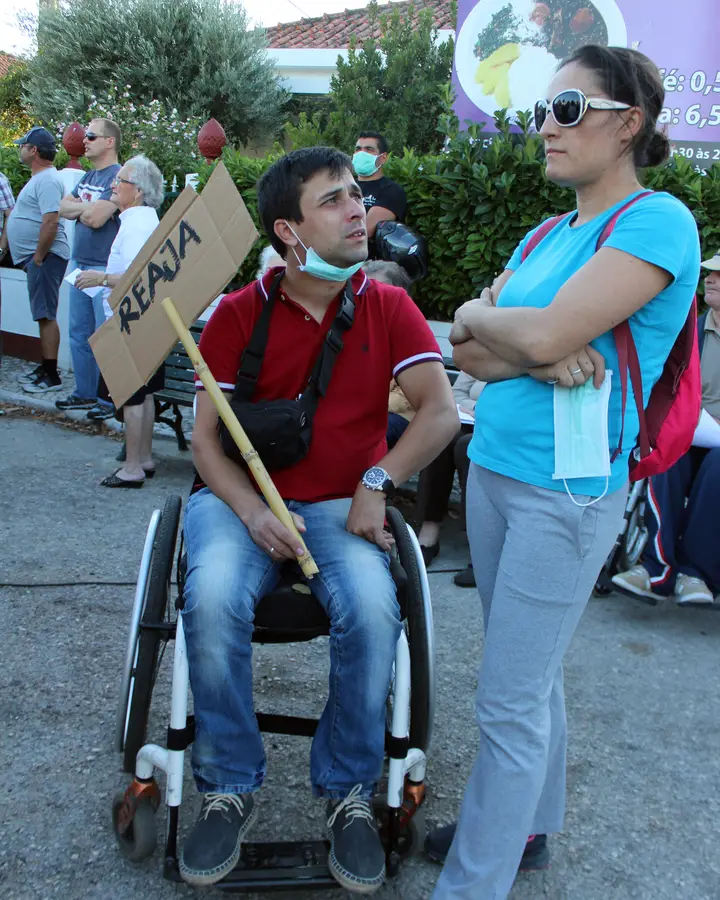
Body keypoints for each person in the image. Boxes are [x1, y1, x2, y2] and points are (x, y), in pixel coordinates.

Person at [424, 45, 700, 899]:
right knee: (529, 675)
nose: (545, 126)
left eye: (568, 111)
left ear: (629, 123)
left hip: (566, 494)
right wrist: (500, 325)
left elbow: (531, 337)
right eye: (543, 111)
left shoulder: (656, 224)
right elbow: (473, 346)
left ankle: (475, 882)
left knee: (506, 700)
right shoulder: (549, 231)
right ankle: (529, 827)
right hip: (498, 470)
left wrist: (519, 332)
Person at [179, 146, 458, 891]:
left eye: (356, 194)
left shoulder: (388, 306)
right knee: (208, 601)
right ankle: (227, 784)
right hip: (240, 501)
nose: (357, 209)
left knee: (372, 610)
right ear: (289, 231)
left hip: (344, 503)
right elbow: (207, 442)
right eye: (333, 200)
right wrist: (248, 508)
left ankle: (346, 794)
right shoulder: (238, 313)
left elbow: (439, 414)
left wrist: (379, 480)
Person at [612, 249, 720, 605]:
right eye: (711, 273)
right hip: (689, 431)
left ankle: (694, 574)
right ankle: (654, 568)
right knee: (665, 454)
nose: (711, 279)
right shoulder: (690, 331)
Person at [73, 156, 165, 487]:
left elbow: (137, 275)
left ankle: (132, 467)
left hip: (131, 319)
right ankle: (144, 458)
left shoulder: (137, 224)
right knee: (146, 392)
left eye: (119, 182)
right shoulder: (142, 220)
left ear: (137, 190)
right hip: (144, 319)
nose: (114, 187)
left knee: (132, 395)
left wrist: (100, 277)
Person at [57, 118, 122, 415]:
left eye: (92, 136)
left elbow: (97, 219)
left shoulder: (118, 177)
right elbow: (62, 207)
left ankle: (107, 400)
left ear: (109, 141)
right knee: (78, 331)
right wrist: (89, 207)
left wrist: (82, 210)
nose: (85, 141)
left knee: (102, 335)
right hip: (78, 263)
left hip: (101, 268)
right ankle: (84, 392)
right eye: (85, 136)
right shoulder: (87, 178)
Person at [6, 127, 70, 394]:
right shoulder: (41, 179)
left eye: (23, 145)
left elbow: (51, 220)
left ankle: (51, 375)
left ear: (33, 150)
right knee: (42, 314)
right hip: (39, 258)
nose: (20, 149)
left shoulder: (46, 180)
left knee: (45, 314)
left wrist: (39, 257)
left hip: (46, 258)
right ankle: (45, 366)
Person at [416, 371, 484, 586]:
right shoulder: (482, 345)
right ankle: (429, 532)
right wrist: (472, 408)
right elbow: (455, 393)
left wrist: (479, 409)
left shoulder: (527, 349)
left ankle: (481, 552)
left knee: (467, 447)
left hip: (505, 427)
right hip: (470, 418)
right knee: (441, 437)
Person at [362, 259, 415, 448]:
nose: (370, 298)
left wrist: (357, 405)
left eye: (380, 291)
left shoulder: (411, 333)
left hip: (397, 416)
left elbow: (405, 398)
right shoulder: (351, 329)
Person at [353, 132, 407, 258]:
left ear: (382, 158)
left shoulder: (392, 190)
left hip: (370, 266)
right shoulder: (344, 186)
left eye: (369, 149)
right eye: (358, 149)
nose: (361, 153)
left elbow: (365, 230)